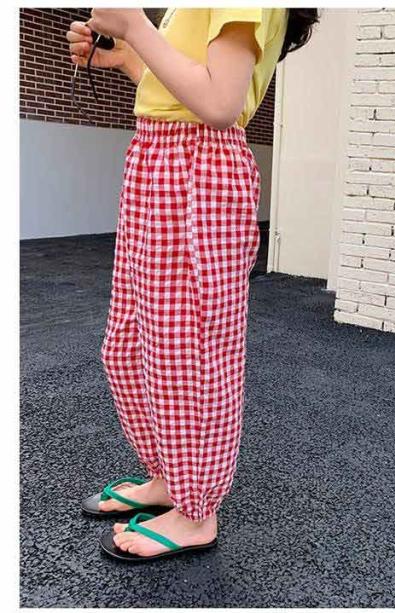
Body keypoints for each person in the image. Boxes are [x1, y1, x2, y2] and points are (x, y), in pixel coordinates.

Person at [66, 7, 319, 562]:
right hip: (158, 160)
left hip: (197, 169)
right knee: (131, 346)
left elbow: (220, 104)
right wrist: (127, 58)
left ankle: (196, 512)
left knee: (192, 355)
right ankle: (169, 479)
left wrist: (136, 27)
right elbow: (183, 87)